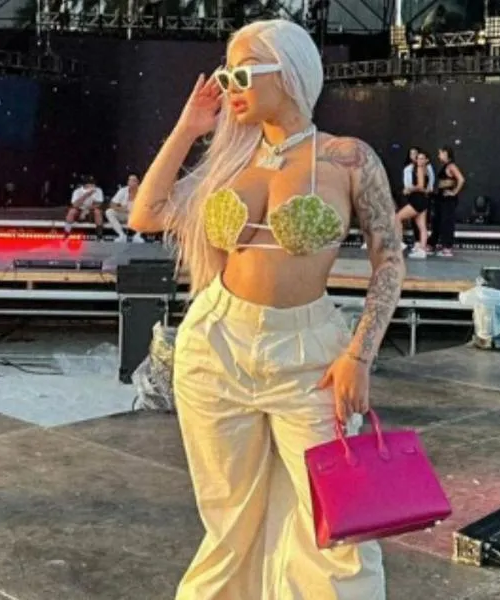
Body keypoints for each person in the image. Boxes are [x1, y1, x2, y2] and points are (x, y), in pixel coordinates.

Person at [130, 19, 404, 600]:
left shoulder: (347, 158)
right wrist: (188, 127)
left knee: (337, 521)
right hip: (216, 345)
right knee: (228, 519)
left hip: (310, 355)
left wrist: (361, 354)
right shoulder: (232, 160)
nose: (230, 86)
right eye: (226, 74)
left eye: (244, 73)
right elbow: (145, 213)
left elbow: (389, 260)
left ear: (290, 71)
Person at [428, 146, 465, 257]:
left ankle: (447, 247)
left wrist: (454, 192)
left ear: (446, 153)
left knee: (446, 222)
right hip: (441, 197)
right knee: (438, 221)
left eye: (440, 153)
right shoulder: (445, 166)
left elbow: (461, 179)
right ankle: (433, 243)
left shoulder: (451, 166)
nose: (438, 156)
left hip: (448, 198)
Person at [397, 149, 431, 259]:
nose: (419, 160)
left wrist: (409, 189)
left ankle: (399, 242)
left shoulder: (420, 169)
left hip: (417, 200)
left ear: (426, 160)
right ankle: (422, 250)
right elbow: (424, 187)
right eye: (418, 158)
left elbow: (420, 186)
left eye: (422, 158)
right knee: (422, 226)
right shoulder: (426, 170)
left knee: (397, 217)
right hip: (422, 199)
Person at [105, 173, 145, 243]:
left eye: (133, 180)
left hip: (137, 216)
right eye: (129, 180)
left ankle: (137, 236)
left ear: (138, 182)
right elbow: (112, 204)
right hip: (124, 214)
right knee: (109, 212)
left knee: (147, 213)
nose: (131, 182)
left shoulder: (143, 191)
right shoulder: (123, 190)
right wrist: (122, 209)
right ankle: (121, 235)